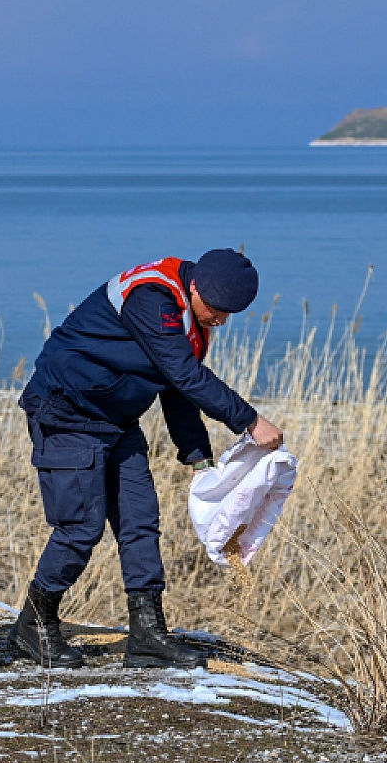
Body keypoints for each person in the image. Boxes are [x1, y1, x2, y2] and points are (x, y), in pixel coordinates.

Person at [14, 250, 284, 669]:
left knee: (140, 520)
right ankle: (33, 624)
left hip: (116, 420)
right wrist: (250, 421)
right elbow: (185, 375)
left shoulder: (192, 318)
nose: (220, 319)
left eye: (229, 313)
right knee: (80, 527)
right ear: (194, 286)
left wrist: (198, 457)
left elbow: (177, 389)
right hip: (66, 412)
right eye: (216, 308)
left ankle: (147, 636)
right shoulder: (151, 297)